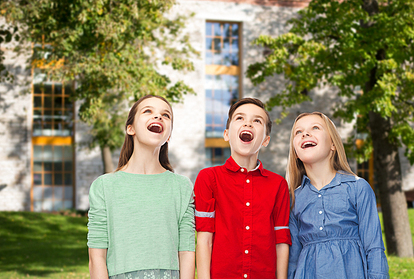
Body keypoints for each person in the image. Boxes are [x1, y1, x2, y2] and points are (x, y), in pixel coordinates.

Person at [87, 95, 195, 279]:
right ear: (131, 128)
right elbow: (96, 257)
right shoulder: (104, 187)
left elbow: (186, 253)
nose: (158, 117)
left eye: (165, 115)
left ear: (168, 135)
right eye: (148, 111)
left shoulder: (181, 187)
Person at [195, 98, 291, 279]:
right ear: (226, 134)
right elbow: (204, 239)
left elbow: (281, 240)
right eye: (240, 118)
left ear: (266, 140)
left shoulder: (278, 185)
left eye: (257, 121)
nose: (248, 122)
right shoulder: (208, 178)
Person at [287, 112, 390, 279]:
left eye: (315, 127)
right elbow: (293, 259)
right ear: (296, 152)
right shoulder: (293, 199)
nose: (305, 133)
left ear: (333, 144)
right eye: (298, 132)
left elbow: (374, 248)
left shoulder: (358, 188)